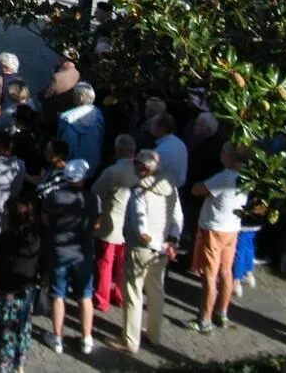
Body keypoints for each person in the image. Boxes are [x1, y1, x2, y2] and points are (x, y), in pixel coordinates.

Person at [106, 149, 184, 355]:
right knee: (157, 291)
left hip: (141, 249)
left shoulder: (139, 191)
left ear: (143, 168)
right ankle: (154, 335)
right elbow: (178, 218)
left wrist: (154, 241)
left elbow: (141, 228)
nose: (133, 166)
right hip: (163, 250)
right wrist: (172, 242)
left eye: (136, 163)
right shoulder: (171, 188)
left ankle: (130, 340)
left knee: (133, 294)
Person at [186, 143, 249, 334]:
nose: (220, 154)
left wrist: (197, 185)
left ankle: (204, 319)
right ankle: (222, 312)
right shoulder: (245, 178)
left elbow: (198, 190)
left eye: (223, 152)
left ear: (230, 157)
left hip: (213, 229)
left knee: (208, 275)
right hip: (232, 228)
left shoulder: (224, 178)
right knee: (226, 272)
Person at [41, 159, 99, 356]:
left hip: (59, 250)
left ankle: (57, 337)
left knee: (58, 295)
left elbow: (45, 219)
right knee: (85, 295)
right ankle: (86, 338)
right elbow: (96, 224)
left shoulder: (54, 197)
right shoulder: (93, 199)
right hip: (83, 252)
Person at [0, 198, 41, 373]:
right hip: (27, 290)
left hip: (8, 290)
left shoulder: (7, 238)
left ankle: (4, 365)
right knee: (22, 328)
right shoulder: (35, 236)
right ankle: (20, 365)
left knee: (6, 330)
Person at [91, 134, 139, 312]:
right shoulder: (139, 170)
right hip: (130, 225)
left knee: (105, 263)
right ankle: (120, 295)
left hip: (111, 222)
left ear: (118, 151)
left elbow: (96, 191)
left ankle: (101, 298)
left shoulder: (112, 172)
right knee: (123, 264)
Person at [57, 82, 105, 177]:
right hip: (93, 166)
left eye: (74, 94)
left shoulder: (67, 118)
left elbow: (65, 146)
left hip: (72, 169)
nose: (72, 96)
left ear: (80, 98)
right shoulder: (98, 115)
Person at [38, 59, 80, 142]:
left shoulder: (57, 77)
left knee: (45, 132)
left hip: (52, 111)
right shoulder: (77, 73)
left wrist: (41, 95)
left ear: (66, 62)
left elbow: (48, 94)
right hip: (66, 109)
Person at [151, 112, 189, 188]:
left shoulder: (162, 151)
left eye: (153, 124)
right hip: (176, 187)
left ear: (161, 129)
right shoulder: (179, 142)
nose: (150, 126)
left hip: (164, 188)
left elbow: (150, 173)